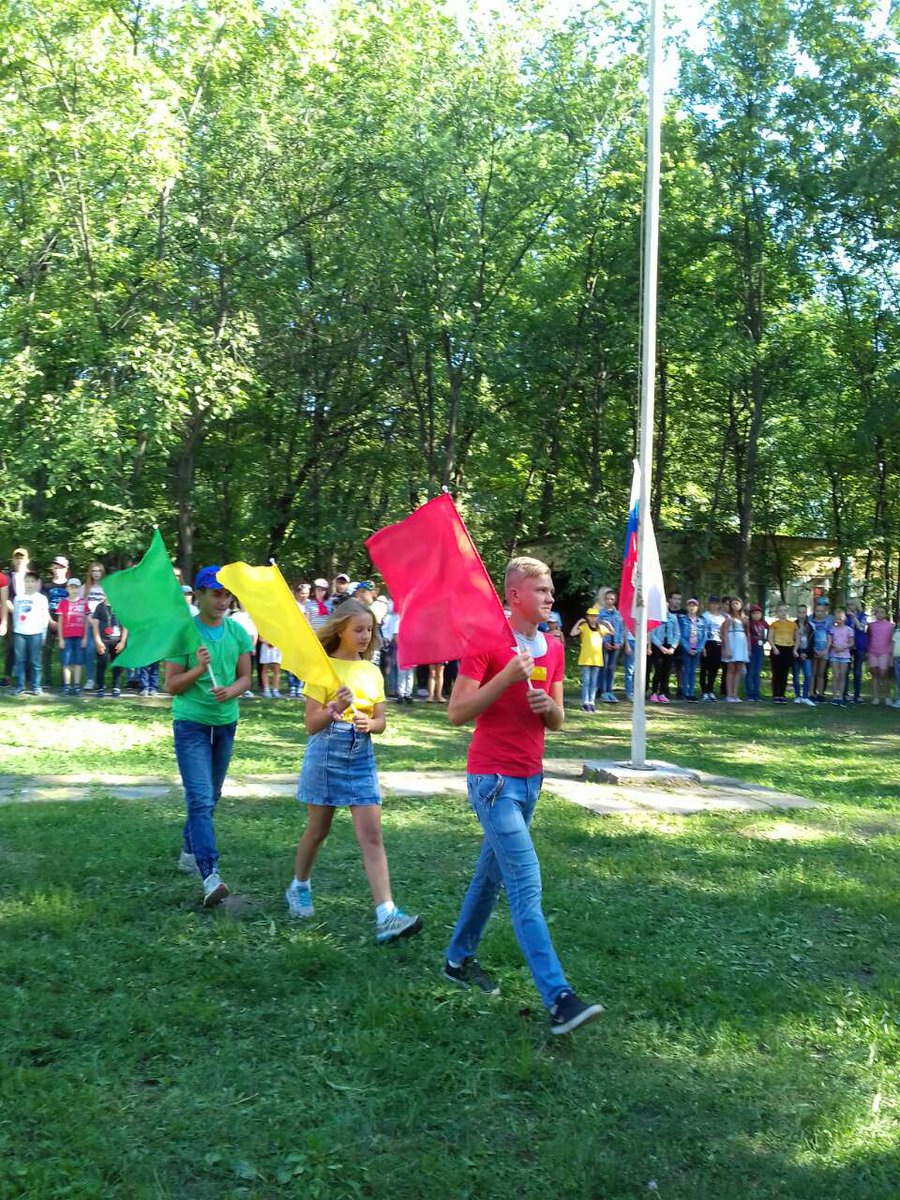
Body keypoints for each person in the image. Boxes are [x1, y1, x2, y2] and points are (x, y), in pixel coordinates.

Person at [444, 556, 602, 1036]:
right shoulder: (486, 642)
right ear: (514, 596)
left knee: (490, 877)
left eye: (551, 590)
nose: (550, 597)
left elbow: (559, 719)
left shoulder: (553, 647)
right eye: (541, 590)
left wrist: (547, 707)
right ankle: (559, 999)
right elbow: (457, 712)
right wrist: (506, 679)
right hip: (492, 781)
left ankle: (456, 960)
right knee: (525, 881)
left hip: (531, 779)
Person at [287, 598, 421, 944]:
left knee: (372, 835)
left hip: (360, 755)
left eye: (369, 630)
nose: (365, 636)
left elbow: (381, 722)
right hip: (326, 753)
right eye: (358, 630)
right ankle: (299, 886)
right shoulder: (321, 668)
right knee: (318, 830)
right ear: (341, 630)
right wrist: (335, 707)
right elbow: (310, 725)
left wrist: (369, 723)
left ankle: (387, 914)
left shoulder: (372, 671)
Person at [164, 566, 253, 907]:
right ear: (198, 594)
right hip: (191, 724)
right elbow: (171, 685)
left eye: (227, 594)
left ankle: (189, 850)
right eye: (215, 593)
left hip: (226, 722)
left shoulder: (237, 631)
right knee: (200, 798)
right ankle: (210, 874)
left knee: (211, 795)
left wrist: (231, 690)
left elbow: (246, 678)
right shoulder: (184, 634)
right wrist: (199, 670)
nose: (222, 600)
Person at [12, 570, 49, 695]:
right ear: (24, 583)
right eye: (27, 581)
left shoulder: (41, 599)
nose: (30, 584)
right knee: (20, 660)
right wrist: (16, 630)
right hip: (20, 633)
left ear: (37, 583)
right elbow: (16, 615)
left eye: (32, 581)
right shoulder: (18, 598)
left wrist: (43, 635)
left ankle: (36, 686)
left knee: (35, 661)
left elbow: (44, 618)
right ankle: (19, 686)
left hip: (36, 633)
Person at [569, 606, 609, 712]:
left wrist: (607, 624)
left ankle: (592, 701)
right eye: (591, 616)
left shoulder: (600, 628)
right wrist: (578, 622)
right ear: (587, 617)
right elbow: (572, 633)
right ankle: (585, 702)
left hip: (597, 659)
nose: (593, 618)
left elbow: (612, 632)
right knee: (586, 681)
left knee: (594, 682)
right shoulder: (584, 627)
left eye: (595, 616)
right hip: (586, 658)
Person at [57, 577, 90, 695]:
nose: (74, 590)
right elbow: (60, 621)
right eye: (71, 587)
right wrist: (60, 638)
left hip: (79, 636)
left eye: (76, 587)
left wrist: (85, 637)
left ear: (79, 589)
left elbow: (86, 621)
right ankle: (66, 686)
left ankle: (76, 685)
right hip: (66, 637)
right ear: (67, 588)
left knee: (78, 662)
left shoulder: (83, 603)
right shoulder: (63, 603)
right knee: (66, 662)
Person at [90, 598, 128, 698]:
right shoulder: (100, 606)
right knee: (101, 663)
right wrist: (98, 641)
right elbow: (95, 625)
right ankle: (100, 687)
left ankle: (116, 686)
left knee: (117, 665)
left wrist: (123, 641)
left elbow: (125, 625)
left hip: (117, 641)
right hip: (103, 641)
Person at [3, 547, 30, 685]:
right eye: (17, 558)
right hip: (12, 615)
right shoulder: (7, 577)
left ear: (27, 560)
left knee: (29, 646)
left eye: (22, 558)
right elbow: (4, 598)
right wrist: (15, 612)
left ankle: (29, 677)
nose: (19, 560)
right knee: (12, 646)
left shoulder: (33, 576)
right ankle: (7, 675)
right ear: (13, 560)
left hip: (31, 616)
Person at [43, 556, 70, 687]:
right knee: (46, 650)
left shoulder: (71, 585)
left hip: (66, 620)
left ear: (66, 569)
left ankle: (66, 682)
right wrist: (50, 621)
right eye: (56, 567)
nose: (58, 569)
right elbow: (42, 605)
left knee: (64, 651)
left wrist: (62, 623)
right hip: (48, 619)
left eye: (61, 567)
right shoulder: (46, 585)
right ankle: (47, 681)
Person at [81, 561, 107, 691]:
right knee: (89, 650)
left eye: (98, 571)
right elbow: (81, 605)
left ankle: (100, 680)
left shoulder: (106, 587)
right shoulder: (85, 588)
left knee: (102, 653)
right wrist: (89, 618)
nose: (96, 573)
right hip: (88, 623)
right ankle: (90, 679)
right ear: (90, 573)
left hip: (103, 624)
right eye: (93, 571)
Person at [597, 589, 624, 702]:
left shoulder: (618, 614)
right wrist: (605, 642)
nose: (609, 601)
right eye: (608, 599)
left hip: (616, 643)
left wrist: (619, 642)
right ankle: (602, 691)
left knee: (611, 668)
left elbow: (621, 630)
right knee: (604, 667)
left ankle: (610, 691)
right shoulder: (600, 614)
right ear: (604, 599)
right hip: (605, 643)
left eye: (612, 599)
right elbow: (597, 629)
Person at [678, 599, 708, 701]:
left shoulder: (702, 621)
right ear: (687, 607)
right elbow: (680, 636)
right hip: (687, 649)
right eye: (690, 605)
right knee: (686, 670)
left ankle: (691, 692)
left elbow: (704, 636)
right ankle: (685, 692)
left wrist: (698, 649)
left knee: (693, 671)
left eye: (694, 605)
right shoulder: (682, 620)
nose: (692, 607)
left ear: (697, 607)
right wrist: (687, 648)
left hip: (697, 649)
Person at [721, 597, 749, 702]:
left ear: (741, 605)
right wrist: (727, 647)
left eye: (737, 603)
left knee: (739, 670)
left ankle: (735, 694)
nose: (735, 606)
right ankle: (729, 694)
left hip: (741, 644)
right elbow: (724, 633)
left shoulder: (745, 619)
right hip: (732, 643)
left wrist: (748, 647)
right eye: (733, 604)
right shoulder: (728, 618)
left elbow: (747, 634)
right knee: (731, 669)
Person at [648, 606, 679, 703]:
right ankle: (654, 692)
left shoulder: (673, 618)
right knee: (658, 670)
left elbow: (677, 633)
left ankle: (662, 693)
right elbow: (652, 634)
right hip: (658, 646)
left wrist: (673, 647)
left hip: (669, 646)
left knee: (666, 671)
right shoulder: (656, 618)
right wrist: (660, 647)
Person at [768, 603, 795, 704]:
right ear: (777, 612)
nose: (783, 613)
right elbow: (770, 637)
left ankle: (782, 694)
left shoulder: (792, 624)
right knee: (776, 673)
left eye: (785, 611)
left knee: (785, 673)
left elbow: (796, 638)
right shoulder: (774, 624)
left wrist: (794, 649)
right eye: (780, 611)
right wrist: (774, 648)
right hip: (777, 649)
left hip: (788, 649)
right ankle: (776, 694)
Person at [866, 604, 893, 706]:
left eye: (882, 612)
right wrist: (867, 653)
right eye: (878, 612)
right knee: (874, 674)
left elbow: (891, 640)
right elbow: (868, 638)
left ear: (885, 614)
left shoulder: (890, 626)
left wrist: (890, 655)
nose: (880, 614)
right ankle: (876, 697)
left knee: (884, 674)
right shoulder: (871, 625)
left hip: (885, 652)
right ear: (875, 614)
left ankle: (887, 696)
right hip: (872, 652)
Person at [700, 595, 725, 701]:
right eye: (712, 603)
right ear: (709, 604)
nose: (714, 605)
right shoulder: (705, 616)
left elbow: (723, 632)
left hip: (718, 643)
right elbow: (701, 631)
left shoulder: (722, 618)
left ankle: (710, 690)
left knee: (714, 668)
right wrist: (702, 647)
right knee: (704, 668)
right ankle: (704, 691)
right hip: (707, 643)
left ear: (719, 605)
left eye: (716, 603)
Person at [827, 608, 853, 707]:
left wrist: (843, 647)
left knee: (842, 675)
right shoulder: (832, 629)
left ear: (844, 618)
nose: (839, 620)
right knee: (836, 675)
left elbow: (851, 643)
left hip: (845, 655)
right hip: (834, 655)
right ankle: (834, 696)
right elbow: (830, 642)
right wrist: (835, 647)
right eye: (837, 618)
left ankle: (841, 696)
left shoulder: (849, 629)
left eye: (841, 618)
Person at [809, 600, 833, 702]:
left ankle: (821, 693)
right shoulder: (810, 620)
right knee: (813, 673)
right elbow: (810, 636)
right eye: (817, 611)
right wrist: (813, 649)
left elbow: (829, 638)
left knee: (821, 673)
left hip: (824, 650)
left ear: (825, 612)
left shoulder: (829, 621)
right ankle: (811, 693)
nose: (820, 613)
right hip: (814, 649)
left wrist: (825, 650)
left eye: (822, 611)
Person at [845, 600, 868, 704]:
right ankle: (845, 693)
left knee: (857, 671)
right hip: (847, 646)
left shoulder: (863, 616)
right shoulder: (845, 616)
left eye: (852, 604)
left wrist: (854, 617)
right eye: (849, 604)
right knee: (846, 670)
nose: (850, 606)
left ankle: (857, 695)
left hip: (860, 645)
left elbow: (861, 627)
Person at [793, 605, 816, 706]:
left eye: (803, 612)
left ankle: (805, 696)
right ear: (797, 613)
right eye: (800, 612)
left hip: (807, 653)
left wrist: (806, 653)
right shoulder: (793, 625)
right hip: (795, 653)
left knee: (808, 675)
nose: (802, 615)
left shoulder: (811, 626)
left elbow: (812, 643)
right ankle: (797, 696)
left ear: (806, 613)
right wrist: (798, 652)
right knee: (796, 675)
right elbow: (791, 641)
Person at [745, 604, 769, 702]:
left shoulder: (764, 623)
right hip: (751, 648)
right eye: (754, 613)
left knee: (757, 672)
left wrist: (765, 640)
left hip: (760, 648)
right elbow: (747, 635)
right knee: (750, 671)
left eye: (758, 613)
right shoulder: (749, 624)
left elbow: (768, 633)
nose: (756, 615)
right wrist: (748, 649)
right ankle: (750, 693)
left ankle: (757, 693)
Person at [890, 611, 900, 708]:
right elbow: (893, 644)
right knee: (898, 679)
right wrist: (891, 657)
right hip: (897, 658)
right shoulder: (896, 630)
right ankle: (898, 699)